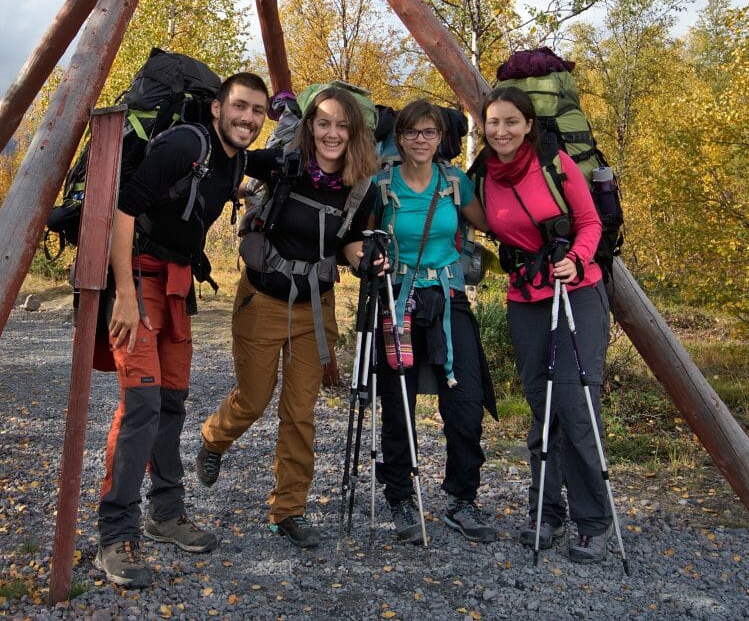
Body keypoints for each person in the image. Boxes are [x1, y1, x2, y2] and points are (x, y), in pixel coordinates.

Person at [94, 72, 269, 588]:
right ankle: (114, 535)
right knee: (141, 405)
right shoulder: (183, 145)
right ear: (217, 108)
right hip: (138, 280)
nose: (249, 119)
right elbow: (124, 209)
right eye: (240, 107)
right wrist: (124, 295)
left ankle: (166, 515)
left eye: (258, 111)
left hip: (175, 285)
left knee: (172, 402)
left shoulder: (231, 157)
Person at [196, 87, 378, 549]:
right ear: (310, 126)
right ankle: (214, 439)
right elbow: (232, 154)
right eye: (324, 123)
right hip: (262, 300)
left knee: (300, 414)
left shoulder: (362, 184)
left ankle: (288, 510)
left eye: (342, 125)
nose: (332, 133)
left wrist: (368, 260)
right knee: (254, 400)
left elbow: (351, 243)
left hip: (315, 308)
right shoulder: (282, 164)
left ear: (353, 132)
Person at [477, 85, 613, 563]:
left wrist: (575, 259)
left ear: (529, 125)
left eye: (511, 121)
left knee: (576, 406)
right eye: (494, 122)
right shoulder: (482, 178)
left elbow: (590, 222)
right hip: (525, 298)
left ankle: (594, 522)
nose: (502, 131)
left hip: (578, 291)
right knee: (542, 404)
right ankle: (547, 513)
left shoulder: (555, 164)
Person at [372, 99, 498, 545]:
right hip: (399, 299)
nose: (421, 141)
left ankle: (462, 499)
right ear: (399, 138)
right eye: (412, 133)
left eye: (429, 133)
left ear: (441, 138)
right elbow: (358, 240)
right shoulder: (381, 184)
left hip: (447, 298)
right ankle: (401, 498)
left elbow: (491, 222)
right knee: (398, 402)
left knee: (465, 403)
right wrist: (368, 258)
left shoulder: (454, 182)